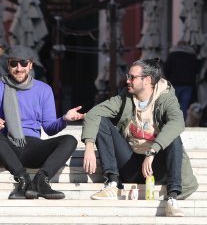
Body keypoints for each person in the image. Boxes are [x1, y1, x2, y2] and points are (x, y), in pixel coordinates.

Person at [82, 58, 198, 217]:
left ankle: (172, 199)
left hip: (156, 169)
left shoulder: (166, 98)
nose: (127, 80)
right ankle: (113, 184)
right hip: (130, 163)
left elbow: (178, 123)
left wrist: (152, 152)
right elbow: (94, 113)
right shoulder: (125, 97)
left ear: (147, 80)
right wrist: (89, 146)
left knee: (174, 138)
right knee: (102, 121)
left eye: (132, 77)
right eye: (128, 76)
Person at [0, 45, 83, 200]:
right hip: (5, 148)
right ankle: (23, 179)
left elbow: (50, 128)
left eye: (23, 63)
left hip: (32, 146)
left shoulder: (44, 90)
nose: (19, 68)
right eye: (14, 64)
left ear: (31, 65)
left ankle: (41, 180)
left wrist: (64, 119)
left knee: (70, 140)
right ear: (8, 65)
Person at [164, 41, 200, 118]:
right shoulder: (192, 55)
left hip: (175, 83)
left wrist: (169, 78)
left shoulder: (172, 55)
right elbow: (196, 69)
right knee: (185, 104)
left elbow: (166, 69)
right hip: (188, 83)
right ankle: (182, 120)